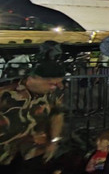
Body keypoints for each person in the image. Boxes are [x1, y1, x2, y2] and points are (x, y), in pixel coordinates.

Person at [0, 42, 66, 173]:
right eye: (51, 83)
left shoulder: (52, 95)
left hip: (30, 153)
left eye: (58, 83)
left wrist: (53, 141)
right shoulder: (5, 93)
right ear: (32, 79)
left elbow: (57, 115)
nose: (55, 87)